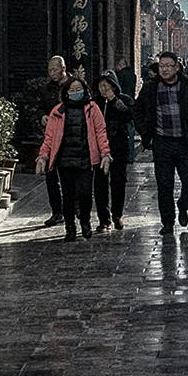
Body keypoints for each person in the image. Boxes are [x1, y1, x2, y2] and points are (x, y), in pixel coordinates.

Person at [134, 50, 188, 230]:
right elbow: (138, 110)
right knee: (164, 184)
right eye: (162, 66)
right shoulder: (151, 87)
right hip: (162, 142)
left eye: (169, 66)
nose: (165, 69)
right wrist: (146, 132)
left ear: (177, 67)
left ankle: (183, 206)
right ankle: (167, 222)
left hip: (186, 143)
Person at [34, 74, 111, 238]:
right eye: (72, 90)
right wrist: (43, 157)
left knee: (85, 193)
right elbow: (49, 137)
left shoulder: (92, 108)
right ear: (66, 92)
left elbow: (100, 132)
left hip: (86, 159)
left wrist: (105, 153)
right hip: (64, 160)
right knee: (67, 196)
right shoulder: (58, 111)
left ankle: (85, 222)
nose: (76, 92)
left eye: (79, 89)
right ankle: (70, 227)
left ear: (85, 91)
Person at [93, 71, 135, 229]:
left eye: (107, 85)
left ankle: (117, 214)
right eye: (101, 86)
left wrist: (114, 100)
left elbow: (129, 116)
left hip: (119, 147)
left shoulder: (124, 99)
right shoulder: (94, 102)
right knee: (100, 185)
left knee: (118, 183)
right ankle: (103, 219)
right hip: (99, 149)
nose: (104, 89)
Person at [33, 54, 71, 227]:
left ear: (64, 68)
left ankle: (72, 208)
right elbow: (39, 107)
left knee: (68, 176)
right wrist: (42, 116)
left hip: (70, 137)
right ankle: (57, 212)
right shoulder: (46, 89)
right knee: (51, 176)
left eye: (55, 69)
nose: (52, 73)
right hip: (51, 138)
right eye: (49, 70)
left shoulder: (74, 86)